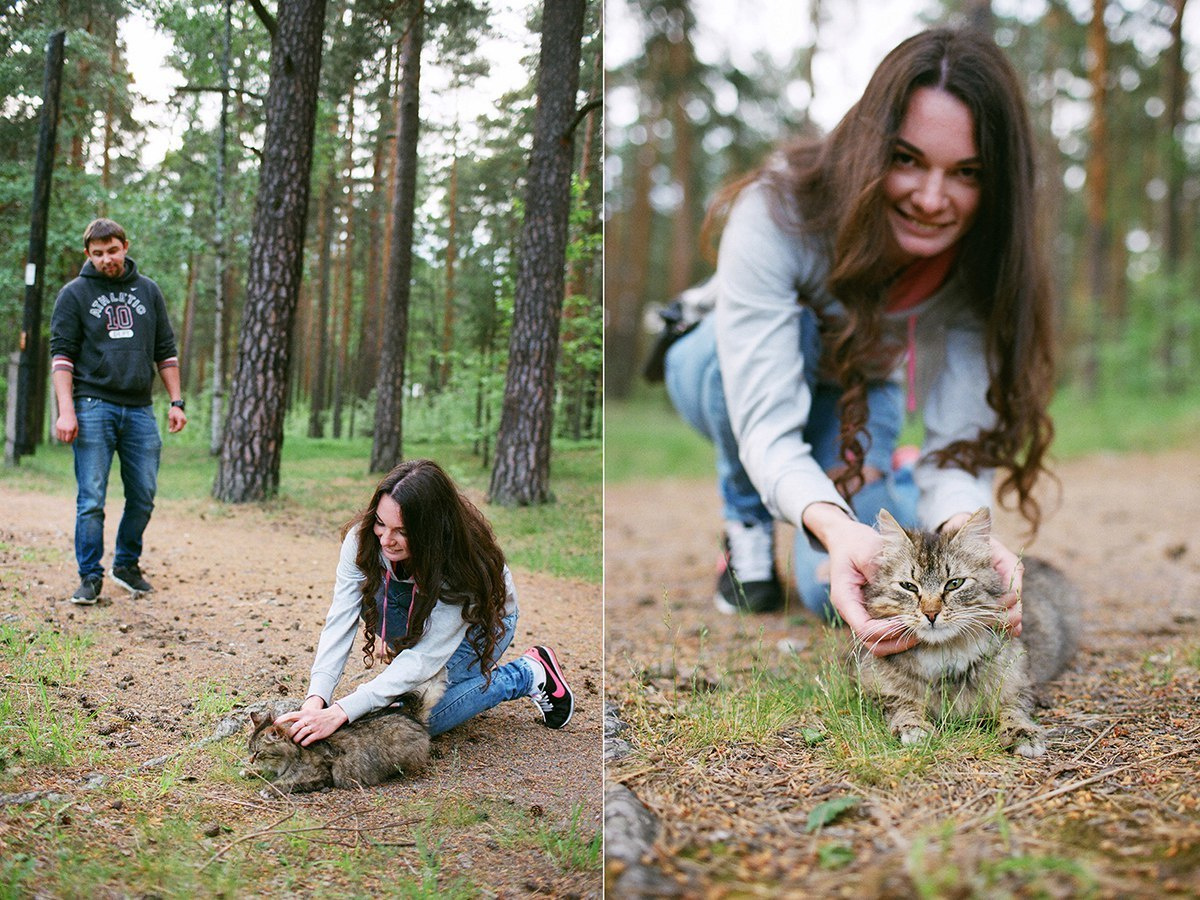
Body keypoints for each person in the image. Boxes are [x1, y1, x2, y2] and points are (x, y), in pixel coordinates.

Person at [664, 28, 1054, 655]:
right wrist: (827, 519)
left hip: (856, 391)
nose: (931, 198)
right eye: (906, 159)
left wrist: (958, 533)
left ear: (998, 182)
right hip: (717, 372)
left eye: (967, 172)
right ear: (871, 148)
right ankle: (746, 522)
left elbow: (958, 447)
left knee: (843, 594)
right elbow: (764, 423)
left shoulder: (980, 271)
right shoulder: (777, 209)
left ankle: (892, 484)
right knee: (744, 363)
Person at [277, 459, 575, 746]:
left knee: (410, 722)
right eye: (381, 523)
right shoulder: (362, 540)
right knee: (389, 703)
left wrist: (342, 711)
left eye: (402, 531)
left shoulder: (459, 568)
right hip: (414, 607)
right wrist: (317, 700)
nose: (385, 539)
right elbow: (340, 620)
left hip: (482, 623)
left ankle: (527, 673)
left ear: (429, 532)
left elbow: (424, 658)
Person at [50, 217, 188, 605]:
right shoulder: (74, 294)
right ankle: (89, 576)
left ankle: (126, 564)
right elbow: (61, 356)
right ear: (87, 255)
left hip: (140, 409)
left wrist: (176, 401)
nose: (106, 259)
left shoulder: (148, 291)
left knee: (143, 494)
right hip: (92, 405)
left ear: (125, 246)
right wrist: (66, 410)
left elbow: (165, 350)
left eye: (112, 251)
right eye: (97, 254)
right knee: (91, 498)